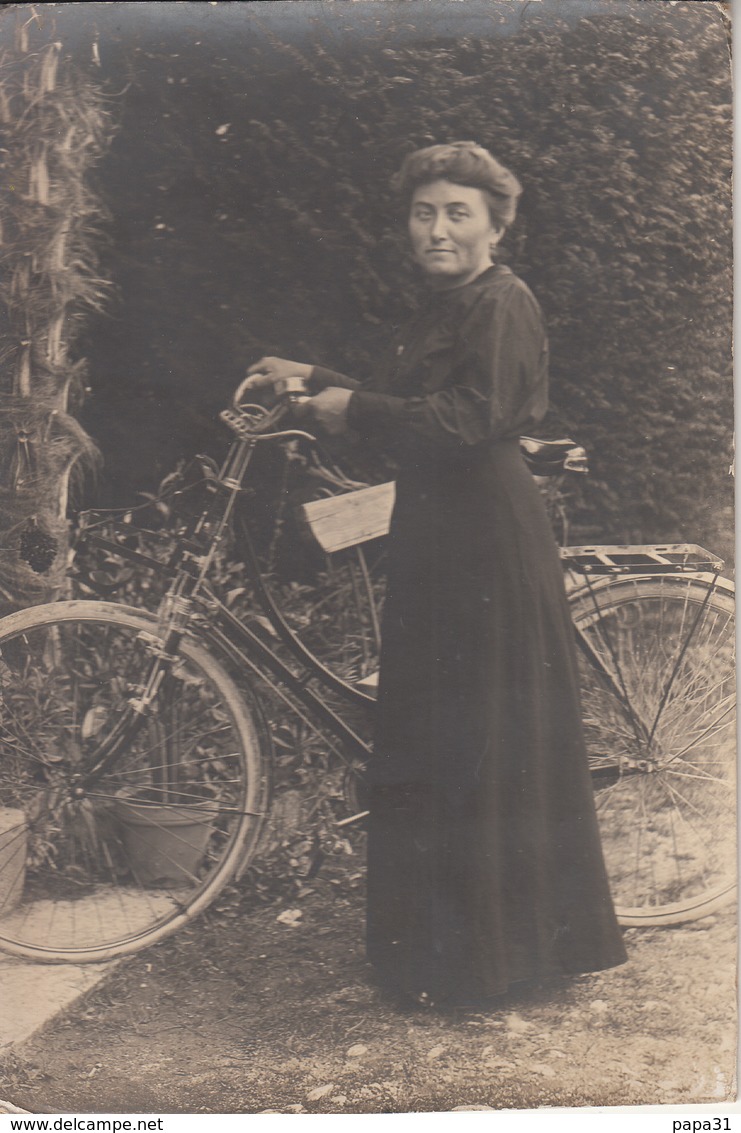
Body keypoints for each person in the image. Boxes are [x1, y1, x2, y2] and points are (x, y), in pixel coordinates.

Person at [245, 141, 627, 1007]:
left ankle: (495, 961)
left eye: (457, 212)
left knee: (481, 735)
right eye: (424, 212)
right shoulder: (446, 305)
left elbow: (469, 417)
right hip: (439, 532)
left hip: (485, 541)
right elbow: (404, 406)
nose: (437, 228)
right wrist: (314, 379)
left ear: (495, 223)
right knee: (441, 732)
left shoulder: (503, 301)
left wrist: (355, 407)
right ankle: (445, 957)